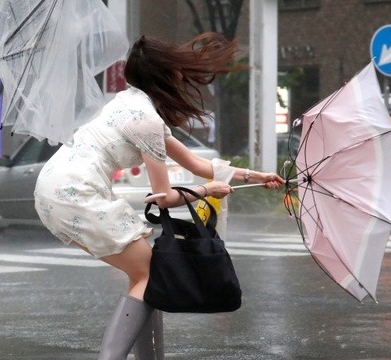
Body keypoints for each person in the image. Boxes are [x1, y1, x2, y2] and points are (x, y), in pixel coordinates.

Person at [34, 32, 285, 359]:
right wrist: (208, 191)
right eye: (175, 68)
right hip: (76, 192)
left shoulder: (130, 102)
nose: (181, 75)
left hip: (51, 189)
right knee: (150, 274)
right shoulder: (146, 120)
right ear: (166, 74)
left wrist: (256, 175)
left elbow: (195, 163)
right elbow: (164, 198)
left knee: (146, 275)